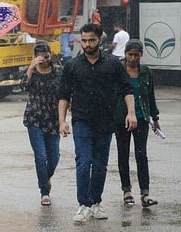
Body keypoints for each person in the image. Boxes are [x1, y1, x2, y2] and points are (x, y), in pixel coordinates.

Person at [58, 23, 137, 223]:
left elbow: (127, 89)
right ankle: (83, 204)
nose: (87, 44)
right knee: (84, 162)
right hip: (81, 120)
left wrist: (131, 113)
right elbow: (64, 95)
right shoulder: (72, 66)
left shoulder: (113, 64)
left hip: (105, 121)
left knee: (100, 164)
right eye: (84, 40)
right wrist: (62, 121)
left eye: (91, 40)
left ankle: (95, 202)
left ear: (100, 40)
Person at [115, 39, 160, 208]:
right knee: (123, 154)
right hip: (121, 119)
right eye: (130, 55)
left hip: (141, 118)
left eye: (136, 55)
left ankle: (145, 193)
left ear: (141, 55)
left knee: (141, 155)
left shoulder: (146, 72)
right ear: (125, 54)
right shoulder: (118, 70)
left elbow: (150, 95)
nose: (133, 58)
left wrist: (155, 118)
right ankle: (126, 191)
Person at [23, 43, 62, 206]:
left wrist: (64, 118)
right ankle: (44, 191)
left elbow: (65, 92)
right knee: (41, 156)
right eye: (40, 57)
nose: (44, 60)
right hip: (35, 118)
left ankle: (46, 178)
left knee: (54, 156)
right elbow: (22, 86)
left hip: (53, 118)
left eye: (46, 56)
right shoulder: (31, 71)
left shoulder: (58, 70)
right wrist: (31, 68)